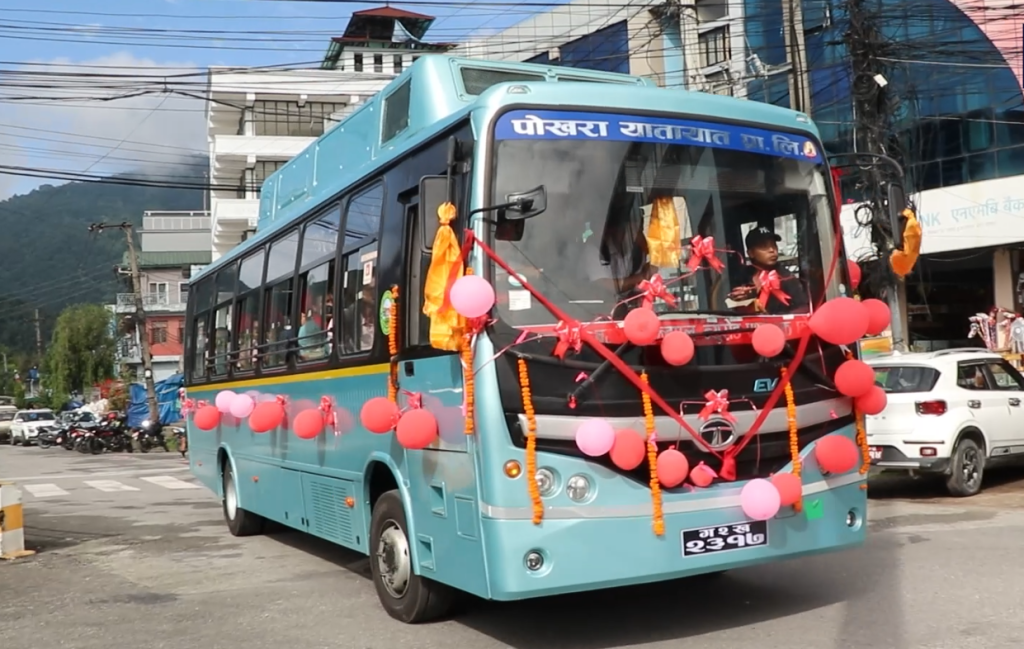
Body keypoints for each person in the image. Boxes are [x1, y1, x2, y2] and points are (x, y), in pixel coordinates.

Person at [727, 226, 808, 314]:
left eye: (774, 245)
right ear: (751, 253)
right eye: (764, 246)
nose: (772, 250)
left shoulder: (787, 277)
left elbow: (803, 308)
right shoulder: (742, 276)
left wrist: (779, 318)